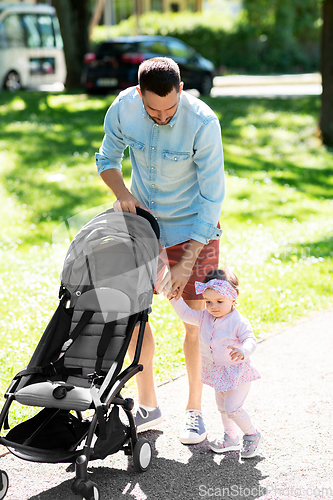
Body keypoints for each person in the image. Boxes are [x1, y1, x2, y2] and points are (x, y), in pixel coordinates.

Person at [95, 57, 224, 444]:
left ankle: (194, 411)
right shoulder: (124, 107)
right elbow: (107, 158)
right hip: (142, 225)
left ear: (181, 89)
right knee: (132, 315)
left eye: (169, 108)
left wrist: (185, 264)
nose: (163, 116)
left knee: (197, 324)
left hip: (194, 230)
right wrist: (123, 195)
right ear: (139, 94)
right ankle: (148, 403)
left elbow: (212, 197)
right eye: (154, 109)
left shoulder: (203, 122)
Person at [170, 268, 263, 458]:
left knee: (232, 408)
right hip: (218, 371)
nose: (213, 306)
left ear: (233, 299)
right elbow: (186, 314)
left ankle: (252, 435)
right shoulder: (205, 316)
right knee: (222, 408)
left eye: (220, 302)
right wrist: (174, 298)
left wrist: (244, 351)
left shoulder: (238, 321)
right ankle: (231, 438)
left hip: (237, 372)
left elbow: (250, 339)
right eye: (209, 301)